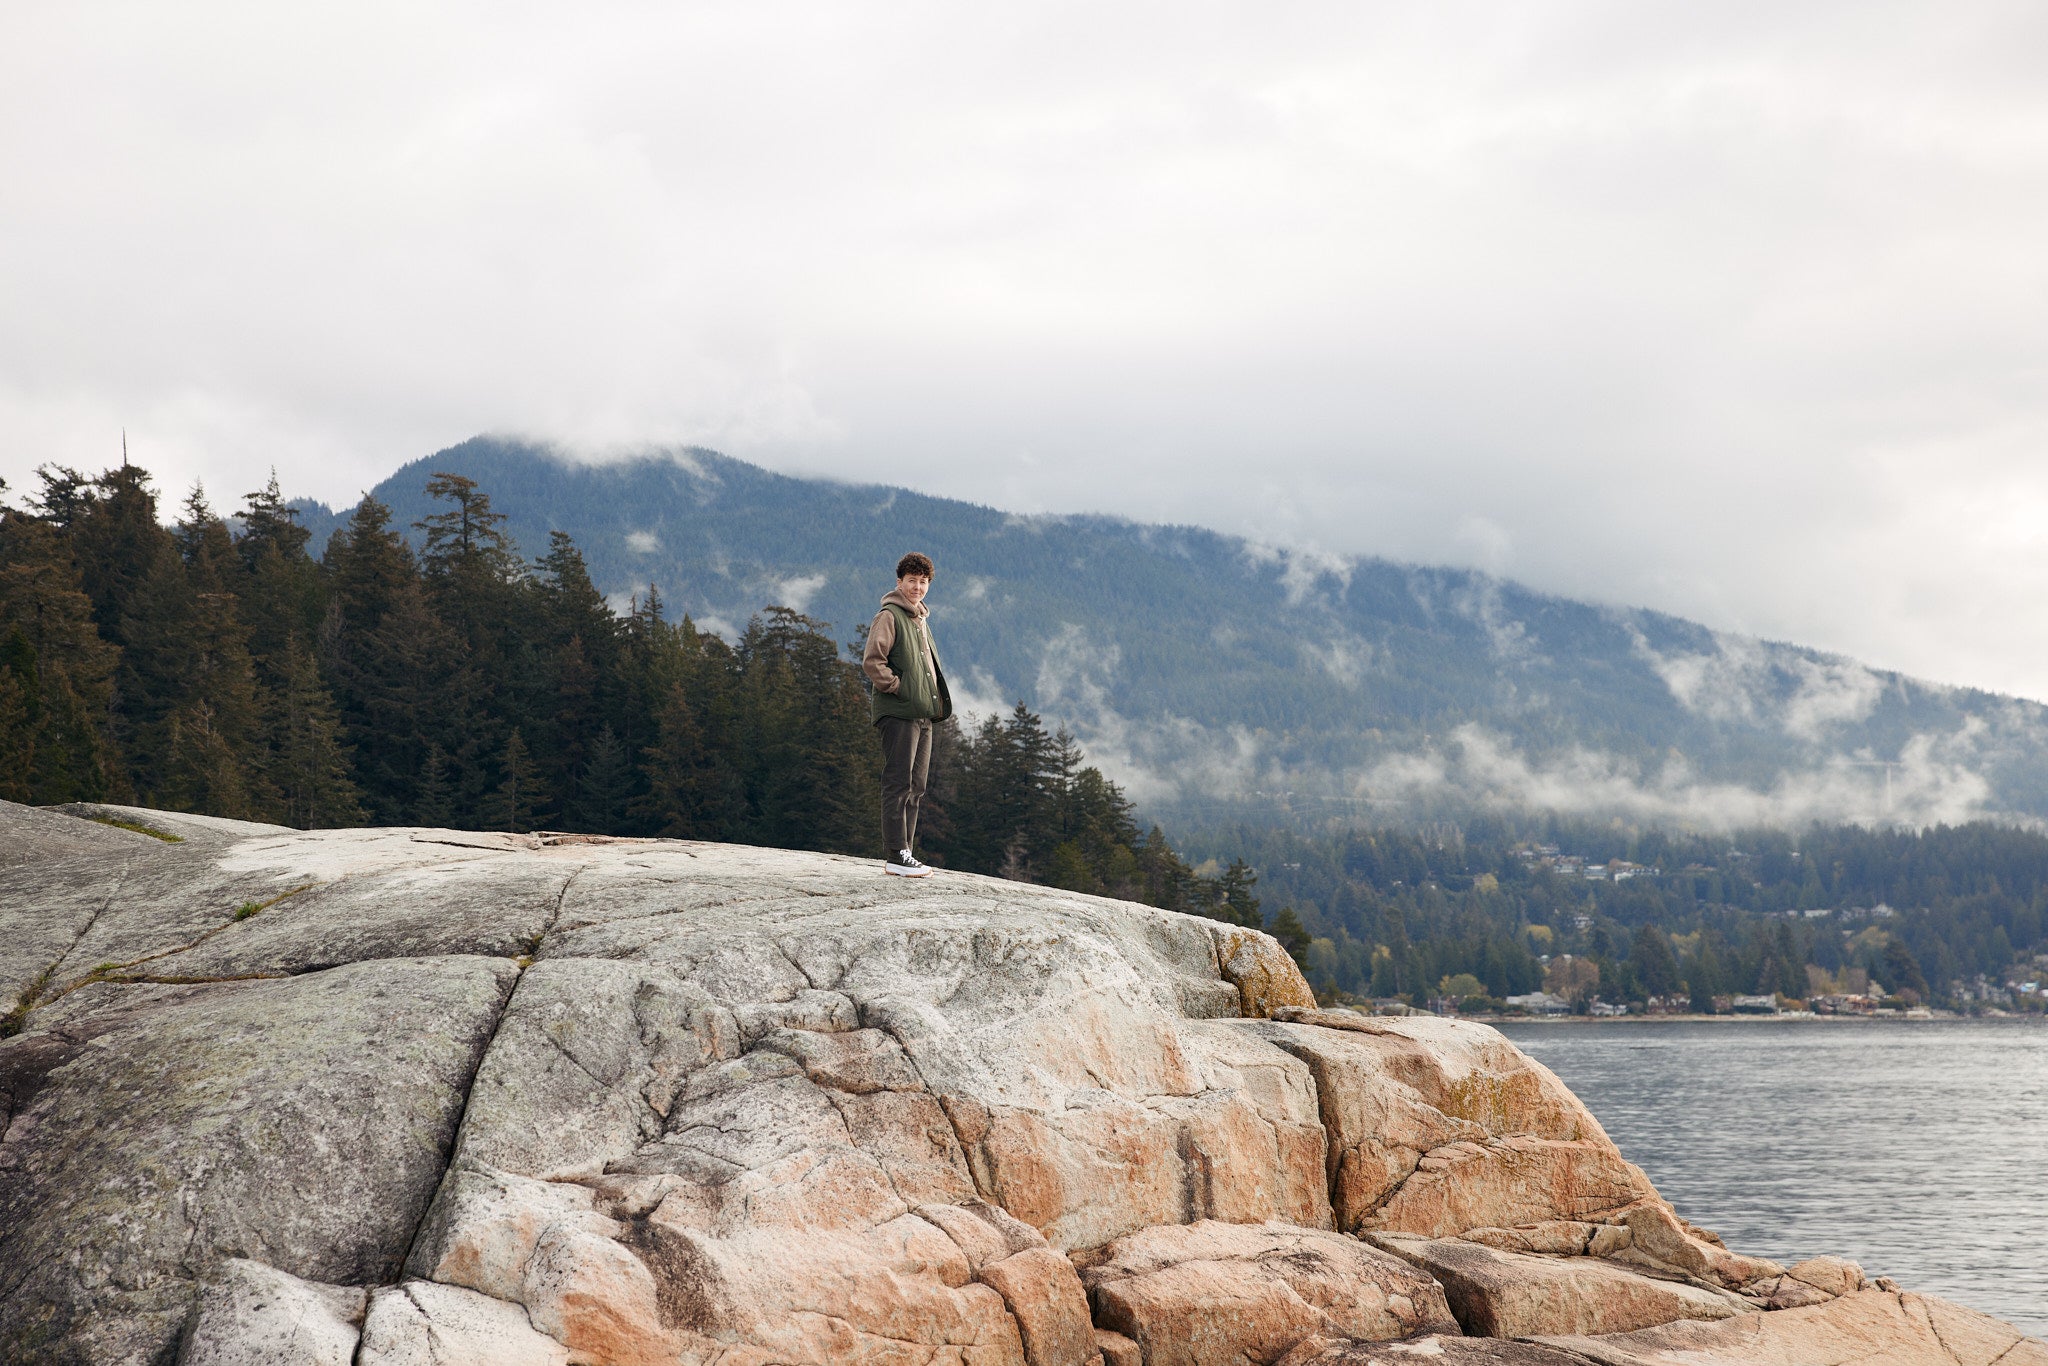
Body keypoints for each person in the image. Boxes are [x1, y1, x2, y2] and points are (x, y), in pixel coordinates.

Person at [862, 552, 952, 876]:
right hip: (899, 713)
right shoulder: (889, 616)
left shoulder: (920, 619)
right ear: (899, 582)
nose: (917, 586)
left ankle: (906, 853)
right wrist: (899, 688)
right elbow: (873, 661)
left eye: (923, 581)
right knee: (898, 784)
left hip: (922, 716)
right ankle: (896, 855)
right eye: (911, 580)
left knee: (916, 786)